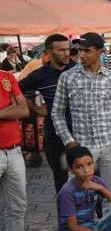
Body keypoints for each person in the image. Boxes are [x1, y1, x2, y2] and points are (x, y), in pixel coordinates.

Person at [52, 32, 111, 196]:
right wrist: (69, 141)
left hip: (110, 144)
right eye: (80, 50)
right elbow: (57, 112)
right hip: (82, 146)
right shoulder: (67, 77)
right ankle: (86, 223)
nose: (81, 55)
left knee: (110, 193)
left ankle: (108, 222)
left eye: (87, 51)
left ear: (100, 51)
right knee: (81, 194)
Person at [1, 67, 48, 231]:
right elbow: (17, 108)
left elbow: (23, 110)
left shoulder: (7, 77)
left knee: (17, 206)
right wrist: (9, 109)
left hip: (14, 151)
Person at [19, 34, 75, 192]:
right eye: (61, 50)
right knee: (61, 179)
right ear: (49, 52)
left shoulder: (77, 70)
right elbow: (17, 91)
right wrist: (36, 108)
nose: (66, 53)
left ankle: (94, 216)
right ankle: (66, 216)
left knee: (90, 176)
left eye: (67, 49)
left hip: (81, 132)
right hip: (54, 135)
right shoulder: (40, 75)